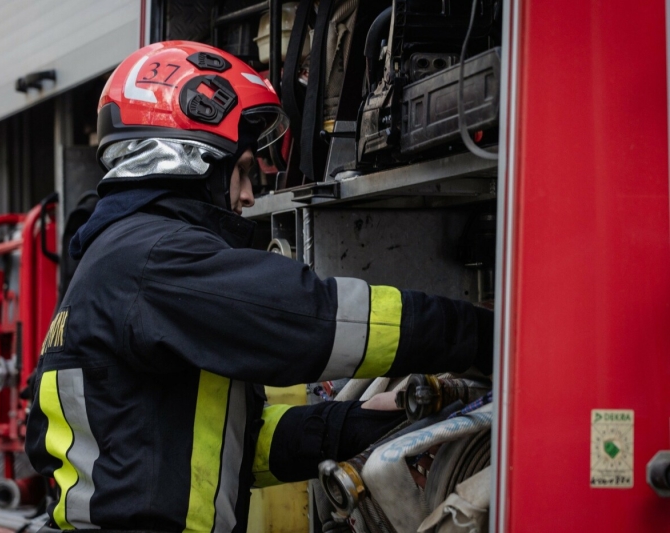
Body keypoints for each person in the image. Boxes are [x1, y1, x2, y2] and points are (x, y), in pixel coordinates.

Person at [25, 41, 493, 533]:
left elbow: (216, 448)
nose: (249, 196)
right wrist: (485, 335)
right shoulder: (157, 260)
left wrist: (363, 424)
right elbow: (313, 320)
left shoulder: (113, 261)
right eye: (244, 171)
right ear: (193, 158)